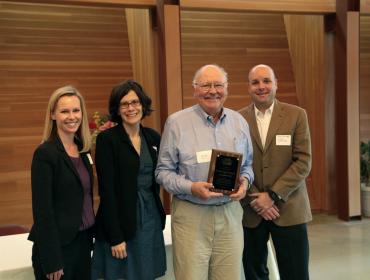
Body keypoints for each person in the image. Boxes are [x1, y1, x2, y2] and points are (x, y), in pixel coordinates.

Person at [156, 64, 254, 280]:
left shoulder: (239, 123)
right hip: (192, 216)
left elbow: (247, 165)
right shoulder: (176, 123)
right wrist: (191, 188)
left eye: (218, 85)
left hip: (230, 215)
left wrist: (245, 182)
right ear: (195, 90)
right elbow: (163, 172)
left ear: (226, 89)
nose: (212, 91)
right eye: (205, 85)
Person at [239, 64, 312, 280]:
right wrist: (256, 199)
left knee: (296, 273)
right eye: (255, 82)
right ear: (248, 87)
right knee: (254, 273)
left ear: (276, 84)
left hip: (289, 208)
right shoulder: (237, 119)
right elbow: (235, 164)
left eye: (266, 81)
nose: (261, 86)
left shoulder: (296, 115)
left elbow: (303, 161)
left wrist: (271, 196)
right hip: (251, 212)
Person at [91, 80, 166, 280]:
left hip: (150, 218)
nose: (131, 108)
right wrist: (116, 237)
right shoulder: (107, 140)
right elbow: (106, 191)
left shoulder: (153, 137)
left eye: (135, 102)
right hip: (120, 222)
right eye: (124, 104)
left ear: (143, 105)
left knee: (147, 274)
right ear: (117, 109)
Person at [29, 85, 95, 280]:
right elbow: (42, 211)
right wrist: (52, 260)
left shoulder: (83, 150)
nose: (71, 116)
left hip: (83, 244)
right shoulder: (45, 153)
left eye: (76, 110)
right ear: (52, 115)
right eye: (64, 111)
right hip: (57, 249)